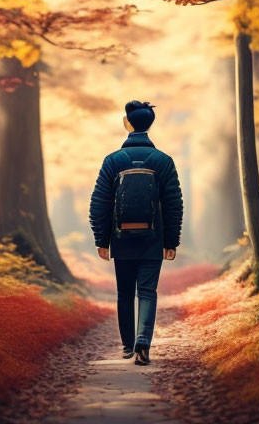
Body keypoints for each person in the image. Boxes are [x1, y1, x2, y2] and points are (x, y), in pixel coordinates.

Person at [89, 100, 183, 365]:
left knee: (124, 293)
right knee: (148, 292)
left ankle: (127, 345)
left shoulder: (113, 161)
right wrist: (171, 240)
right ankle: (144, 343)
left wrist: (101, 239)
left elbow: (99, 203)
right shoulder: (164, 161)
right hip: (153, 239)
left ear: (127, 123)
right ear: (149, 124)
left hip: (121, 238)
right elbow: (174, 203)